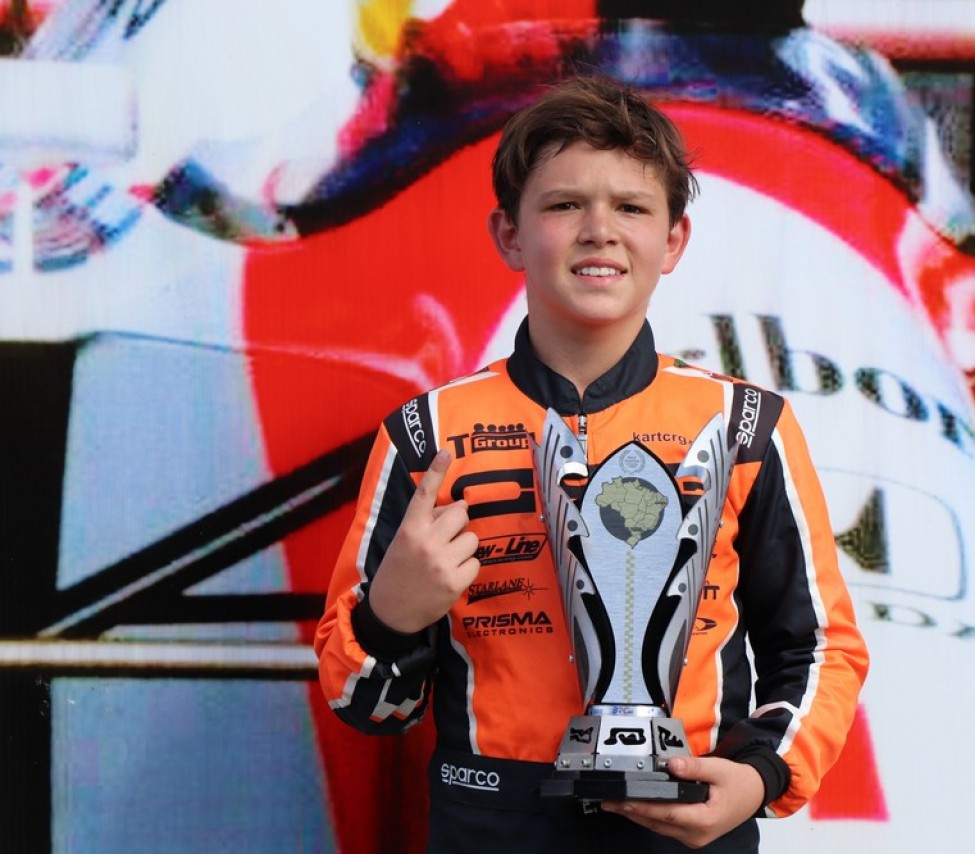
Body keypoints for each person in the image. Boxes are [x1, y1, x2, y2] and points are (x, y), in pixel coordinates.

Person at [315, 74, 869, 852]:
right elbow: (368, 705)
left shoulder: (745, 427)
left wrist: (761, 776)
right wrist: (390, 616)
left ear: (673, 241)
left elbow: (818, 648)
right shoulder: (428, 433)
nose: (599, 230)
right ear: (509, 234)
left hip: (687, 823)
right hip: (492, 824)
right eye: (564, 204)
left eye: (632, 207)